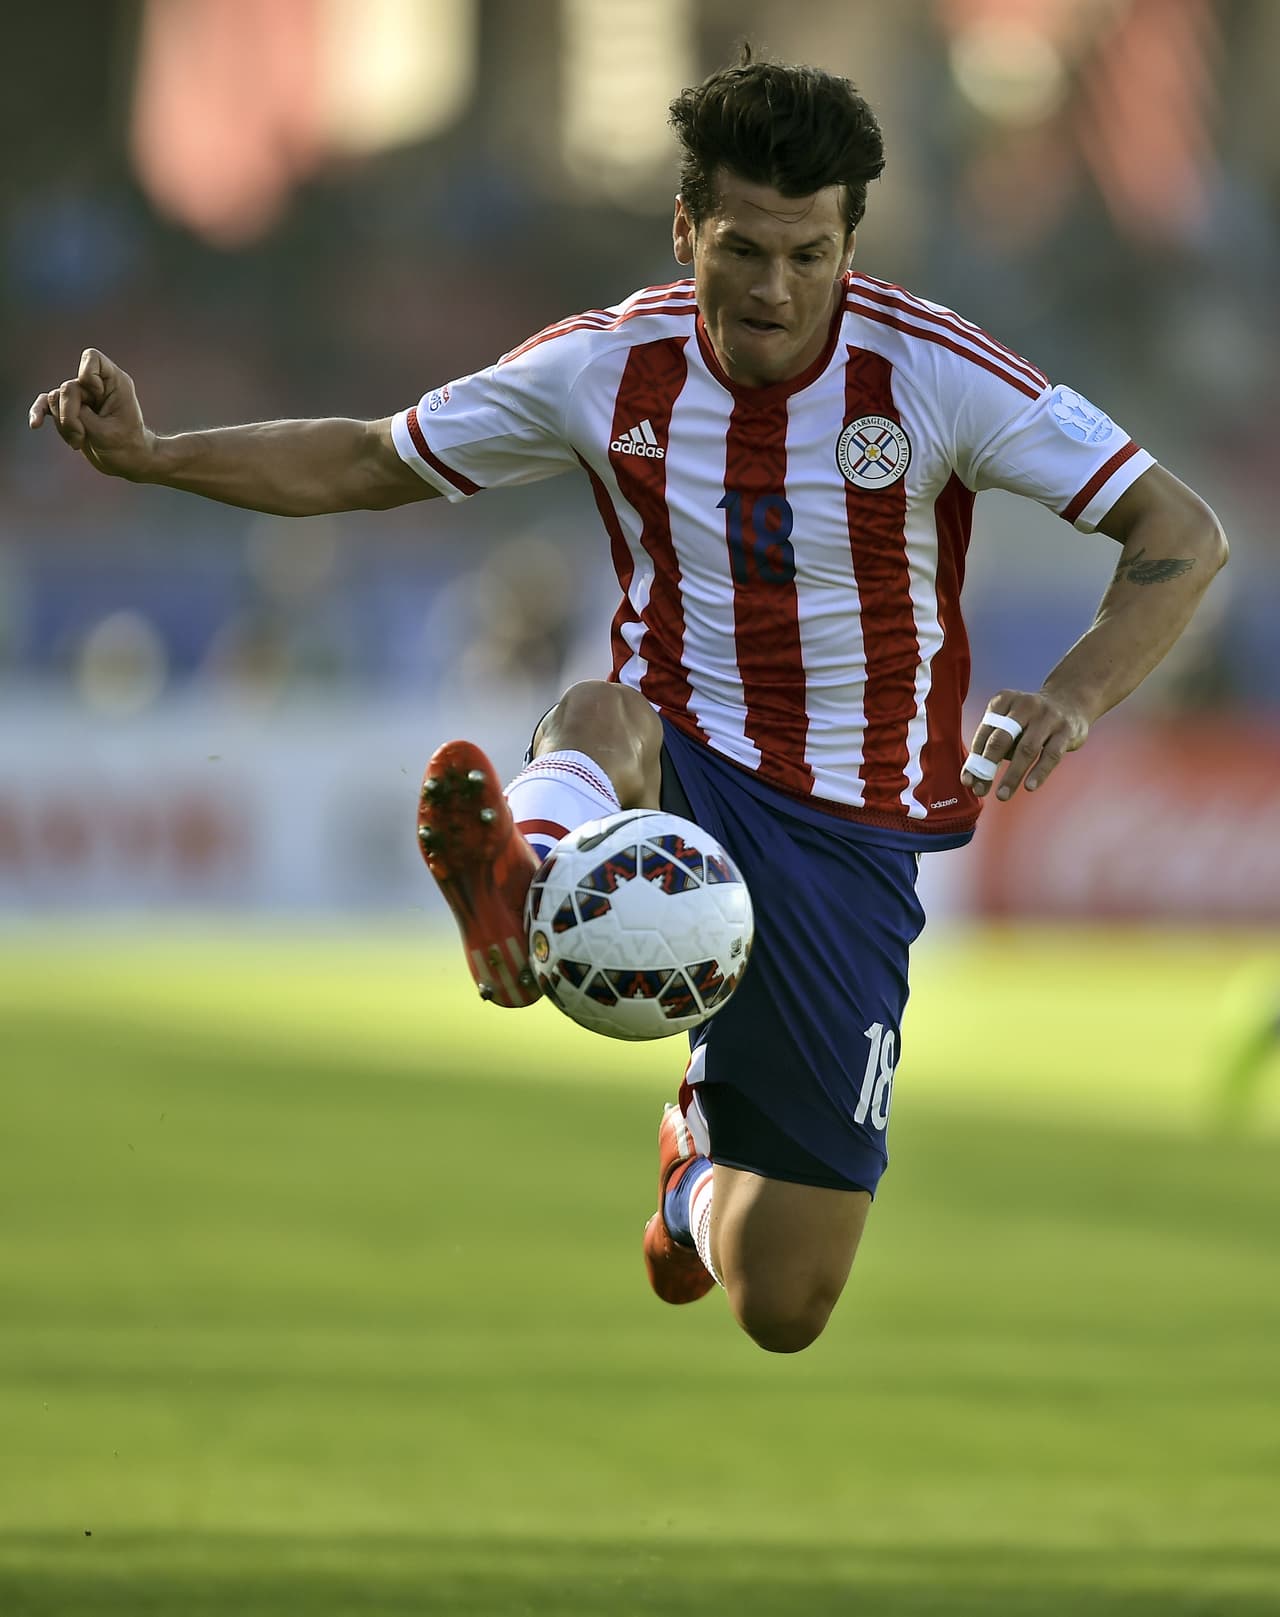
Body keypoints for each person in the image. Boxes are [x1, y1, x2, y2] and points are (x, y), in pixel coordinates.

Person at [29, 52, 1228, 1354]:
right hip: (682, 762)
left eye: (809, 254)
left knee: (787, 1301)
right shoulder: (608, 368)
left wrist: (1073, 693)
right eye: (744, 249)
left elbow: (1181, 529)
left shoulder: (930, 373)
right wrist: (155, 457)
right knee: (606, 711)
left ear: (849, 245)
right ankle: (520, 879)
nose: (776, 287)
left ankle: (689, 1173)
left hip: (855, 829)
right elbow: (377, 458)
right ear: (684, 232)